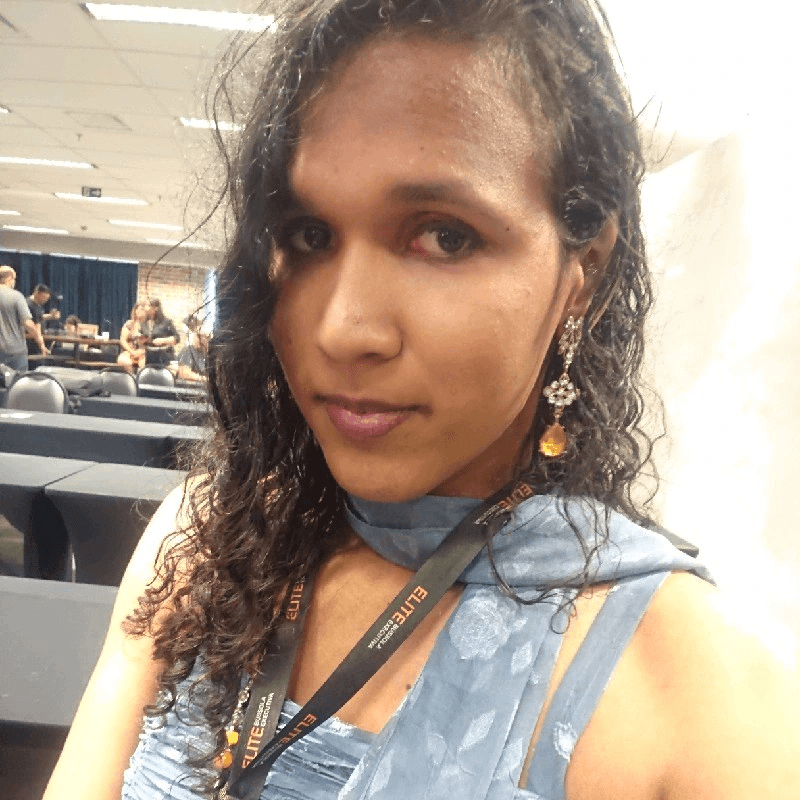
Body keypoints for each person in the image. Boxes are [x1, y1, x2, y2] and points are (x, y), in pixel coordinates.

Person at [44, 2, 800, 800]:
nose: (342, 329)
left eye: (444, 236)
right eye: (308, 235)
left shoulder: (702, 700)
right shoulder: (206, 541)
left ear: (584, 274)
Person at [0, 265, 47, 371]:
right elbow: (28, 324)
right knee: (17, 380)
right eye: (14, 279)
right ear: (9, 278)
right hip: (14, 352)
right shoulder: (17, 297)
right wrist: (41, 343)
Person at [141, 296, 180, 366]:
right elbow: (142, 338)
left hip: (165, 357)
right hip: (149, 357)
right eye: (145, 306)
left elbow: (177, 338)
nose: (145, 308)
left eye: (148, 305)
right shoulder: (143, 323)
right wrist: (142, 339)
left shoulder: (166, 322)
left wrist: (163, 340)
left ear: (156, 308)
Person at [25, 283, 60, 357]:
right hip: (32, 341)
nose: (45, 300)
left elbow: (39, 317)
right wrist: (42, 346)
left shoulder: (36, 305)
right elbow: (36, 326)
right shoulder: (30, 305)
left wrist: (51, 316)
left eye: (47, 298)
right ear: (37, 293)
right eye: (44, 297)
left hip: (36, 338)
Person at [117, 301, 151, 373]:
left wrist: (143, 351)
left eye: (141, 309)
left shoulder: (149, 325)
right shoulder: (129, 324)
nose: (138, 311)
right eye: (137, 309)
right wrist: (131, 351)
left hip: (143, 353)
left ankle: (140, 378)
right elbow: (123, 340)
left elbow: (150, 341)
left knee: (143, 364)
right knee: (124, 361)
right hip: (129, 351)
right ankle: (130, 377)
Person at [176, 314, 209, 383]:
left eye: (204, 337)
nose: (200, 339)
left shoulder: (210, 356)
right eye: (198, 336)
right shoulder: (188, 351)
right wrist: (203, 379)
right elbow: (184, 373)